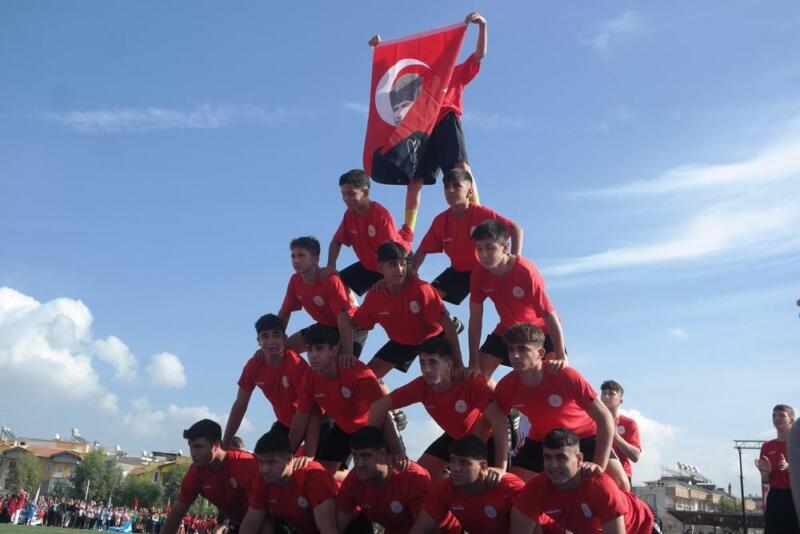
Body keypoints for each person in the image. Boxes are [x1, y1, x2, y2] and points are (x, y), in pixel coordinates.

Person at [370, 12, 488, 232]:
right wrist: (381, 47)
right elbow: (392, 72)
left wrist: (482, 26)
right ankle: (408, 230)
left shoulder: (454, 73)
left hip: (447, 120)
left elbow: (479, 56)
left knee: (461, 166)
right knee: (415, 180)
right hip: (423, 127)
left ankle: (478, 213)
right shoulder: (417, 82)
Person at [493, 323, 629, 489]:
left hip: (585, 436)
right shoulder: (507, 386)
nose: (515, 355)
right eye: (511, 349)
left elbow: (605, 417)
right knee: (509, 487)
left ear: (540, 353)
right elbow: (496, 421)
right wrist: (500, 467)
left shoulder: (564, 375)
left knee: (621, 484)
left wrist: (598, 466)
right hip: (543, 439)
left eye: (522, 349)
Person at [368, 336, 508, 478]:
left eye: (433, 362)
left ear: (448, 364)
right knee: (416, 478)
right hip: (455, 437)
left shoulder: (469, 382)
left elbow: (499, 420)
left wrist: (500, 468)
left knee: (484, 482)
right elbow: (378, 406)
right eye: (422, 363)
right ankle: (445, 477)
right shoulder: (421, 386)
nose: (427, 369)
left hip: (489, 440)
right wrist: (387, 451)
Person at [287, 324, 403, 477]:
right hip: (344, 427)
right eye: (309, 349)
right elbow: (302, 417)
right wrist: (287, 452)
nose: (313, 355)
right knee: (320, 474)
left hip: (372, 425)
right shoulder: (309, 379)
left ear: (334, 350)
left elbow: (383, 413)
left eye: (319, 349)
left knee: (390, 470)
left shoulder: (359, 373)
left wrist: (397, 451)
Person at [467, 219, 566, 378]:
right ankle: (499, 392)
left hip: (541, 329)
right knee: (476, 377)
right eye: (479, 248)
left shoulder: (525, 271)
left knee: (558, 374)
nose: (483, 255)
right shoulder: (479, 273)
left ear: (505, 248)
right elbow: (475, 319)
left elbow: (549, 314)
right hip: (508, 329)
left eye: (489, 248)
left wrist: (561, 356)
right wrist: (473, 362)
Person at [351, 241, 463, 379]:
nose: (399, 269)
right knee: (366, 378)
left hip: (433, 336)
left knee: (443, 376)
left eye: (402, 264)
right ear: (380, 268)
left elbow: (448, 326)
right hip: (403, 342)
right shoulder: (375, 296)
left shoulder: (421, 289)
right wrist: (346, 351)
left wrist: (458, 363)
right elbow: (355, 324)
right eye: (393, 264)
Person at [509, 428, 655, 533]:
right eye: (548, 458)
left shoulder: (600, 487)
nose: (553, 465)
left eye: (561, 458)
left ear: (579, 459)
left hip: (640, 525)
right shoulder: (537, 488)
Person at [412, 168, 523, 305]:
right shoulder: (440, 221)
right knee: (427, 298)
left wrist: (514, 262)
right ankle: (449, 319)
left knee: (508, 303)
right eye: (446, 187)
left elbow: (515, 229)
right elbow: (423, 249)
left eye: (456, 186)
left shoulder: (481, 213)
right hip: (460, 272)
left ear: (469, 192)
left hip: (487, 268)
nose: (450, 190)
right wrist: (411, 272)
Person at [222, 314, 320, 453]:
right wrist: (225, 445)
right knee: (264, 457)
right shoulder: (254, 365)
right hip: (286, 422)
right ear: (258, 341)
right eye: (265, 336)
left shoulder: (296, 365)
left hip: (316, 420)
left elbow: (312, 411)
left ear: (284, 338)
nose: (271, 341)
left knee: (320, 464)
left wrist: (299, 452)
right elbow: (240, 405)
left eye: (276, 335)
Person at [335, 426, 460, 534]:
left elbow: (427, 530)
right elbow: (339, 525)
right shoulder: (355, 479)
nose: (359, 463)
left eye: (366, 456)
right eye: (355, 456)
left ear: (383, 454)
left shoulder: (412, 479)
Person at [321, 169, 413, 298]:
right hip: (373, 266)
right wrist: (331, 265)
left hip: (397, 261)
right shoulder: (349, 215)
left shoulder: (381, 215)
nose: (346, 199)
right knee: (336, 283)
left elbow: (392, 252)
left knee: (386, 298)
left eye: (350, 194)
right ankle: (351, 308)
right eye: (343, 194)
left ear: (365, 192)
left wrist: (386, 278)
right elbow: (336, 241)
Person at [159, 420, 260, 534]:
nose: (193, 453)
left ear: (216, 446)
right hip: (238, 523)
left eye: (198, 447)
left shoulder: (246, 464)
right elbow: (177, 513)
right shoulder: (195, 472)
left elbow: (262, 514)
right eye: (190, 447)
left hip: (267, 520)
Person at [410, 435, 523, 533]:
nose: (455, 468)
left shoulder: (510, 488)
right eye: (452, 460)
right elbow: (420, 529)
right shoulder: (446, 488)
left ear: (483, 466)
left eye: (464, 462)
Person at [278, 236, 367, 359]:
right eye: (293, 256)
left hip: (352, 324)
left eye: (301, 255)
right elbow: (285, 312)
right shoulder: (295, 281)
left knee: (344, 364)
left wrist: (347, 351)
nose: (296, 260)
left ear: (315, 259)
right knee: (281, 351)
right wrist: (276, 339)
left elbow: (343, 317)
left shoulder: (329, 280)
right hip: (327, 325)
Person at [239, 429, 337, 534]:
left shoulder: (313, 477)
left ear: (289, 459)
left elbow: (328, 529)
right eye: (261, 462)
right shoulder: (262, 480)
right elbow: (251, 523)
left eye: (271, 462)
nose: (265, 469)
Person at [755, 404, 799, 533]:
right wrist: (765, 473)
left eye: (781, 415)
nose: (776, 418)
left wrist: (790, 468)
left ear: (791, 420)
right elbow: (765, 481)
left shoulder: (797, 445)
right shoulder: (767, 446)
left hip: (795, 497)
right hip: (775, 496)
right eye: (774, 415)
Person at [601, 379, 642, 485]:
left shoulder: (629, 423)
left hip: (622, 476)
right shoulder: (592, 420)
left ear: (620, 401)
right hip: (599, 473)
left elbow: (635, 456)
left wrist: (616, 436)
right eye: (603, 393)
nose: (606, 397)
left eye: (611, 394)